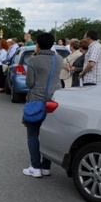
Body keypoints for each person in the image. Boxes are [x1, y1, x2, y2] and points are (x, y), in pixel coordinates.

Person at [22, 32, 63, 178]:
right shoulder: (59, 59)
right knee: (48, 133)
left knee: (33, 134)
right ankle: (46, 166)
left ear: (37, 44)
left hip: (36, 100)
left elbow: (29, 83)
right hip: (53, 100)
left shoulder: (33, 61)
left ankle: (35, 167)